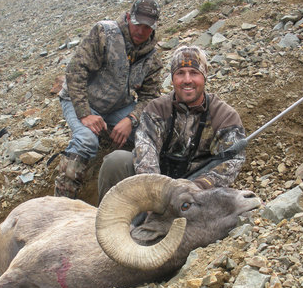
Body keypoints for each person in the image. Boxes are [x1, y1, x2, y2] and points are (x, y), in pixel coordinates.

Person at [98, 45, 246, 202]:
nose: (187, 80)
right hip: (158, 187)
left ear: (205, 76)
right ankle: (107, 221)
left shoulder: (224, 115)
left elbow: (233, 160)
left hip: (199, 193)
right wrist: (156, 194)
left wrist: (199, 187)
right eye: (180, 73)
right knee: (116, 161)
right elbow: (145, 151)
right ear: (172, 78)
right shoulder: (156, 108)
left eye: (194, 73)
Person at [54, 0, 163, 198]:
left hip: (117, 106)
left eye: (147, 27)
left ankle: (152, 187)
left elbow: (151, 97)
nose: (140, 31)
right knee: (86, 140)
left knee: (148, 129)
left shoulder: (151, 57)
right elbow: (76, 71)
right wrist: (85, 113)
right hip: (79, 100)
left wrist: (130, 120)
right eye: (137, 24)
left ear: (154, 27)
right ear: (129, 17)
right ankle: (61, 200)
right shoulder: (104, 33)